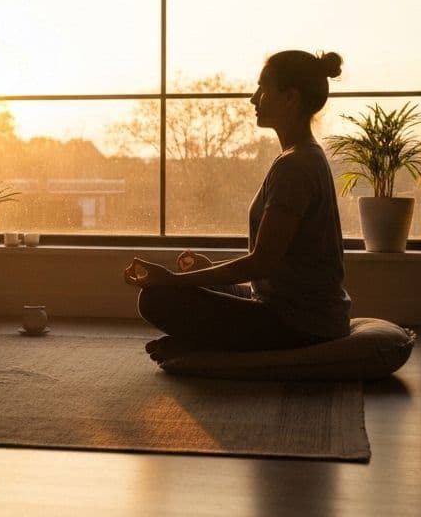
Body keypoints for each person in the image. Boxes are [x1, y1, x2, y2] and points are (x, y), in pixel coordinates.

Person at [124, 50, 351, 362]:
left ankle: (205, 347)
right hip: (293, 308)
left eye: (262, 89)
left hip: (301, 323)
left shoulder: (295, 166)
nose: (253, 99)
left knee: (156, 299)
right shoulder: (303, 156)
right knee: (190, 291)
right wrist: (207, 271)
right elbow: (271, 264)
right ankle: (202, 343)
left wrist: (173, 280)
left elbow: (260, 264)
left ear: (290, 98)